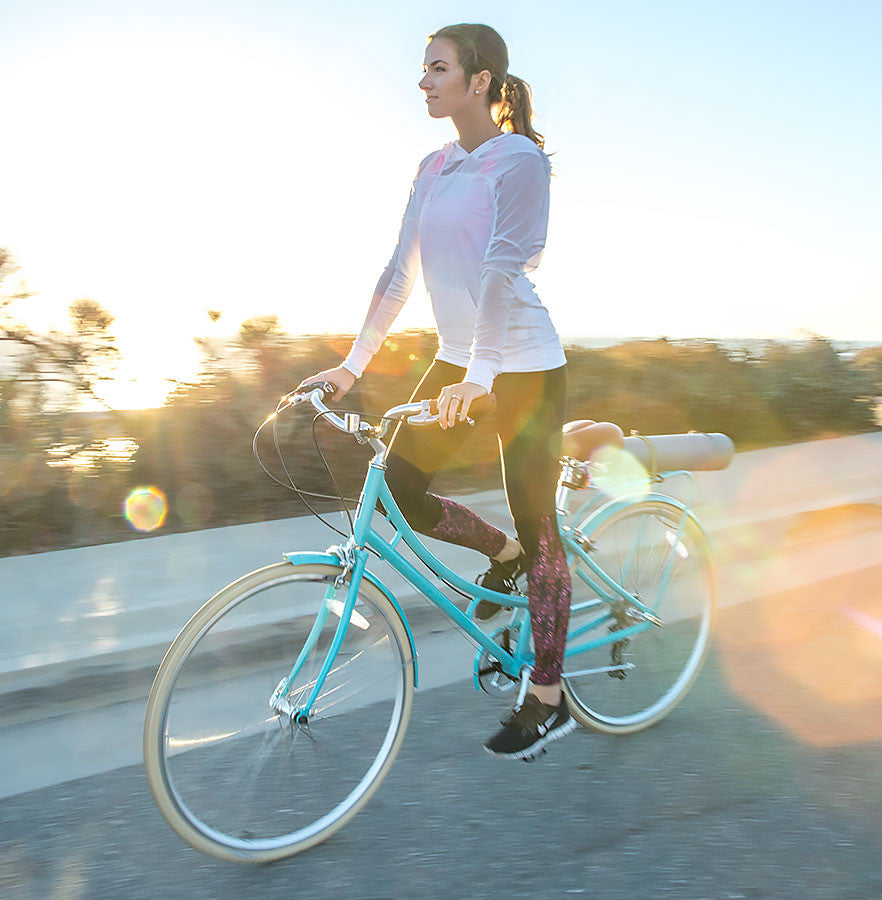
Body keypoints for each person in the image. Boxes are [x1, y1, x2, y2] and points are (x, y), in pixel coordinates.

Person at [299, 23, 572, 760]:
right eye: (423, 69)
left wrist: (482, 379)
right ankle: (502, 554)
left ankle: (549, 697)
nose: (423, 81)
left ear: (479, 80)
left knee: (539, 518)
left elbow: (501, 273)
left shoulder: (520, 163)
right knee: (403, 488)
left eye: (437, 68)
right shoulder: (433, 165)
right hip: (460, 359)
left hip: (524, 367)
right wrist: (351, 366)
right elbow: (398, 275)